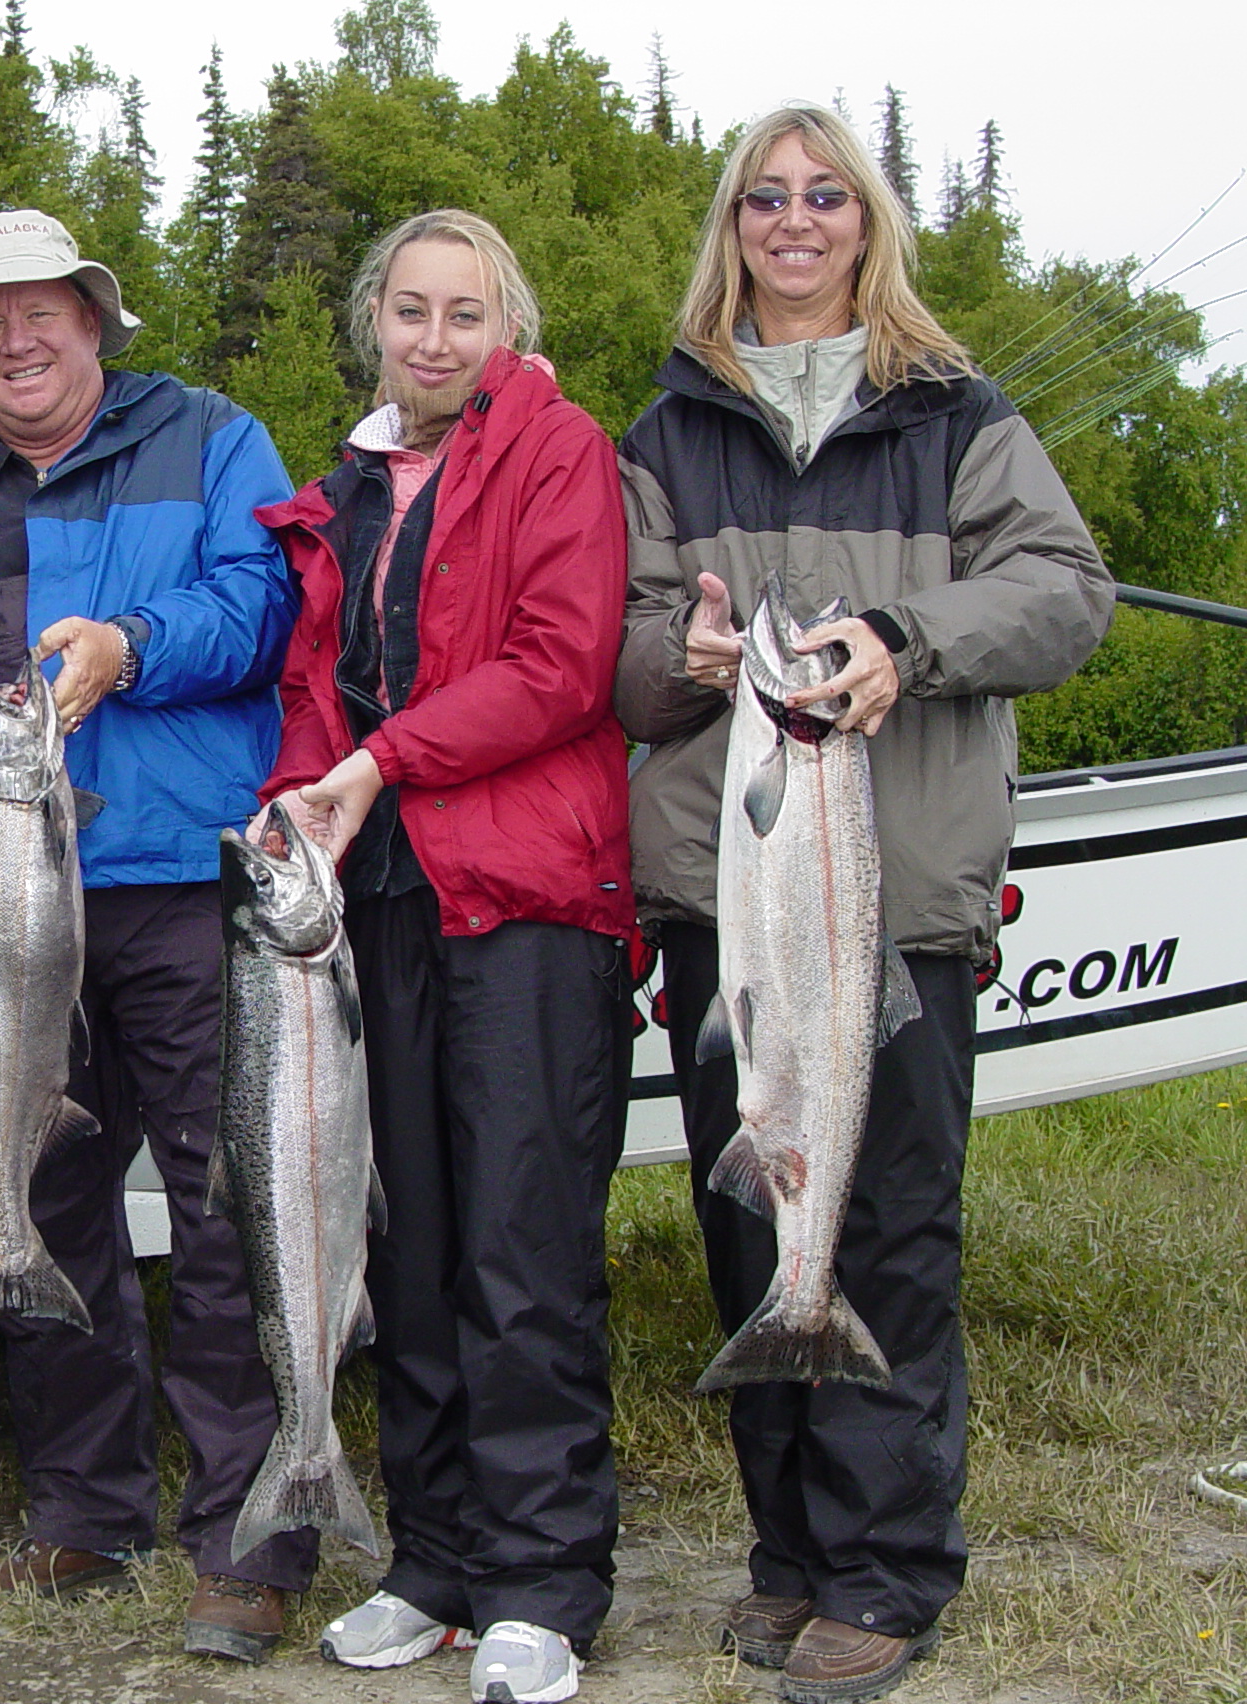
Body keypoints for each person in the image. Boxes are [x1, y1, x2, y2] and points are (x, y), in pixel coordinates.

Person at [615, 105, 1112, 1704]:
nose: (798, 221)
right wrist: (676, 662)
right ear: (733, 226)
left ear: (868, 222)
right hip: (726, 906)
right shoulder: (671, 428)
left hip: (894, 908)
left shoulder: (955, 412)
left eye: (828, 196)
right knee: (751, 1220)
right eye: (767, 198)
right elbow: (613, 653)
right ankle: (790, 1557)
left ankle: (889, 1573)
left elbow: (1066, 589)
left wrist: (907, 634)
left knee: (886, 1231)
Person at [0, 208, 302, 1662]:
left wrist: (131, 650)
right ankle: (82, 1511)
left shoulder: (214, 439)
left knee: (227, 1203)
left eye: (42, 309)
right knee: (36, 1200)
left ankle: (247, 1539)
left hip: (185, 882)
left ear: (95, 318)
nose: (18, 339)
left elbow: (264, 606)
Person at [253, 210, 634, 1704]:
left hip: (529, 897)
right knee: (398, 1236)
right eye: (408, 312)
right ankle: (436, 1560)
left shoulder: (559, 448)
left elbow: (562, 661)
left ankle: (545, 1579)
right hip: (379, 905)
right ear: (375, 325)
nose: (431, 340)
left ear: (505, 324)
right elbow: (312, 682)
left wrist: (386, 761)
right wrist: (302, 797)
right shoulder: (343, 482)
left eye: (461, 314)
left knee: (520, 1241)